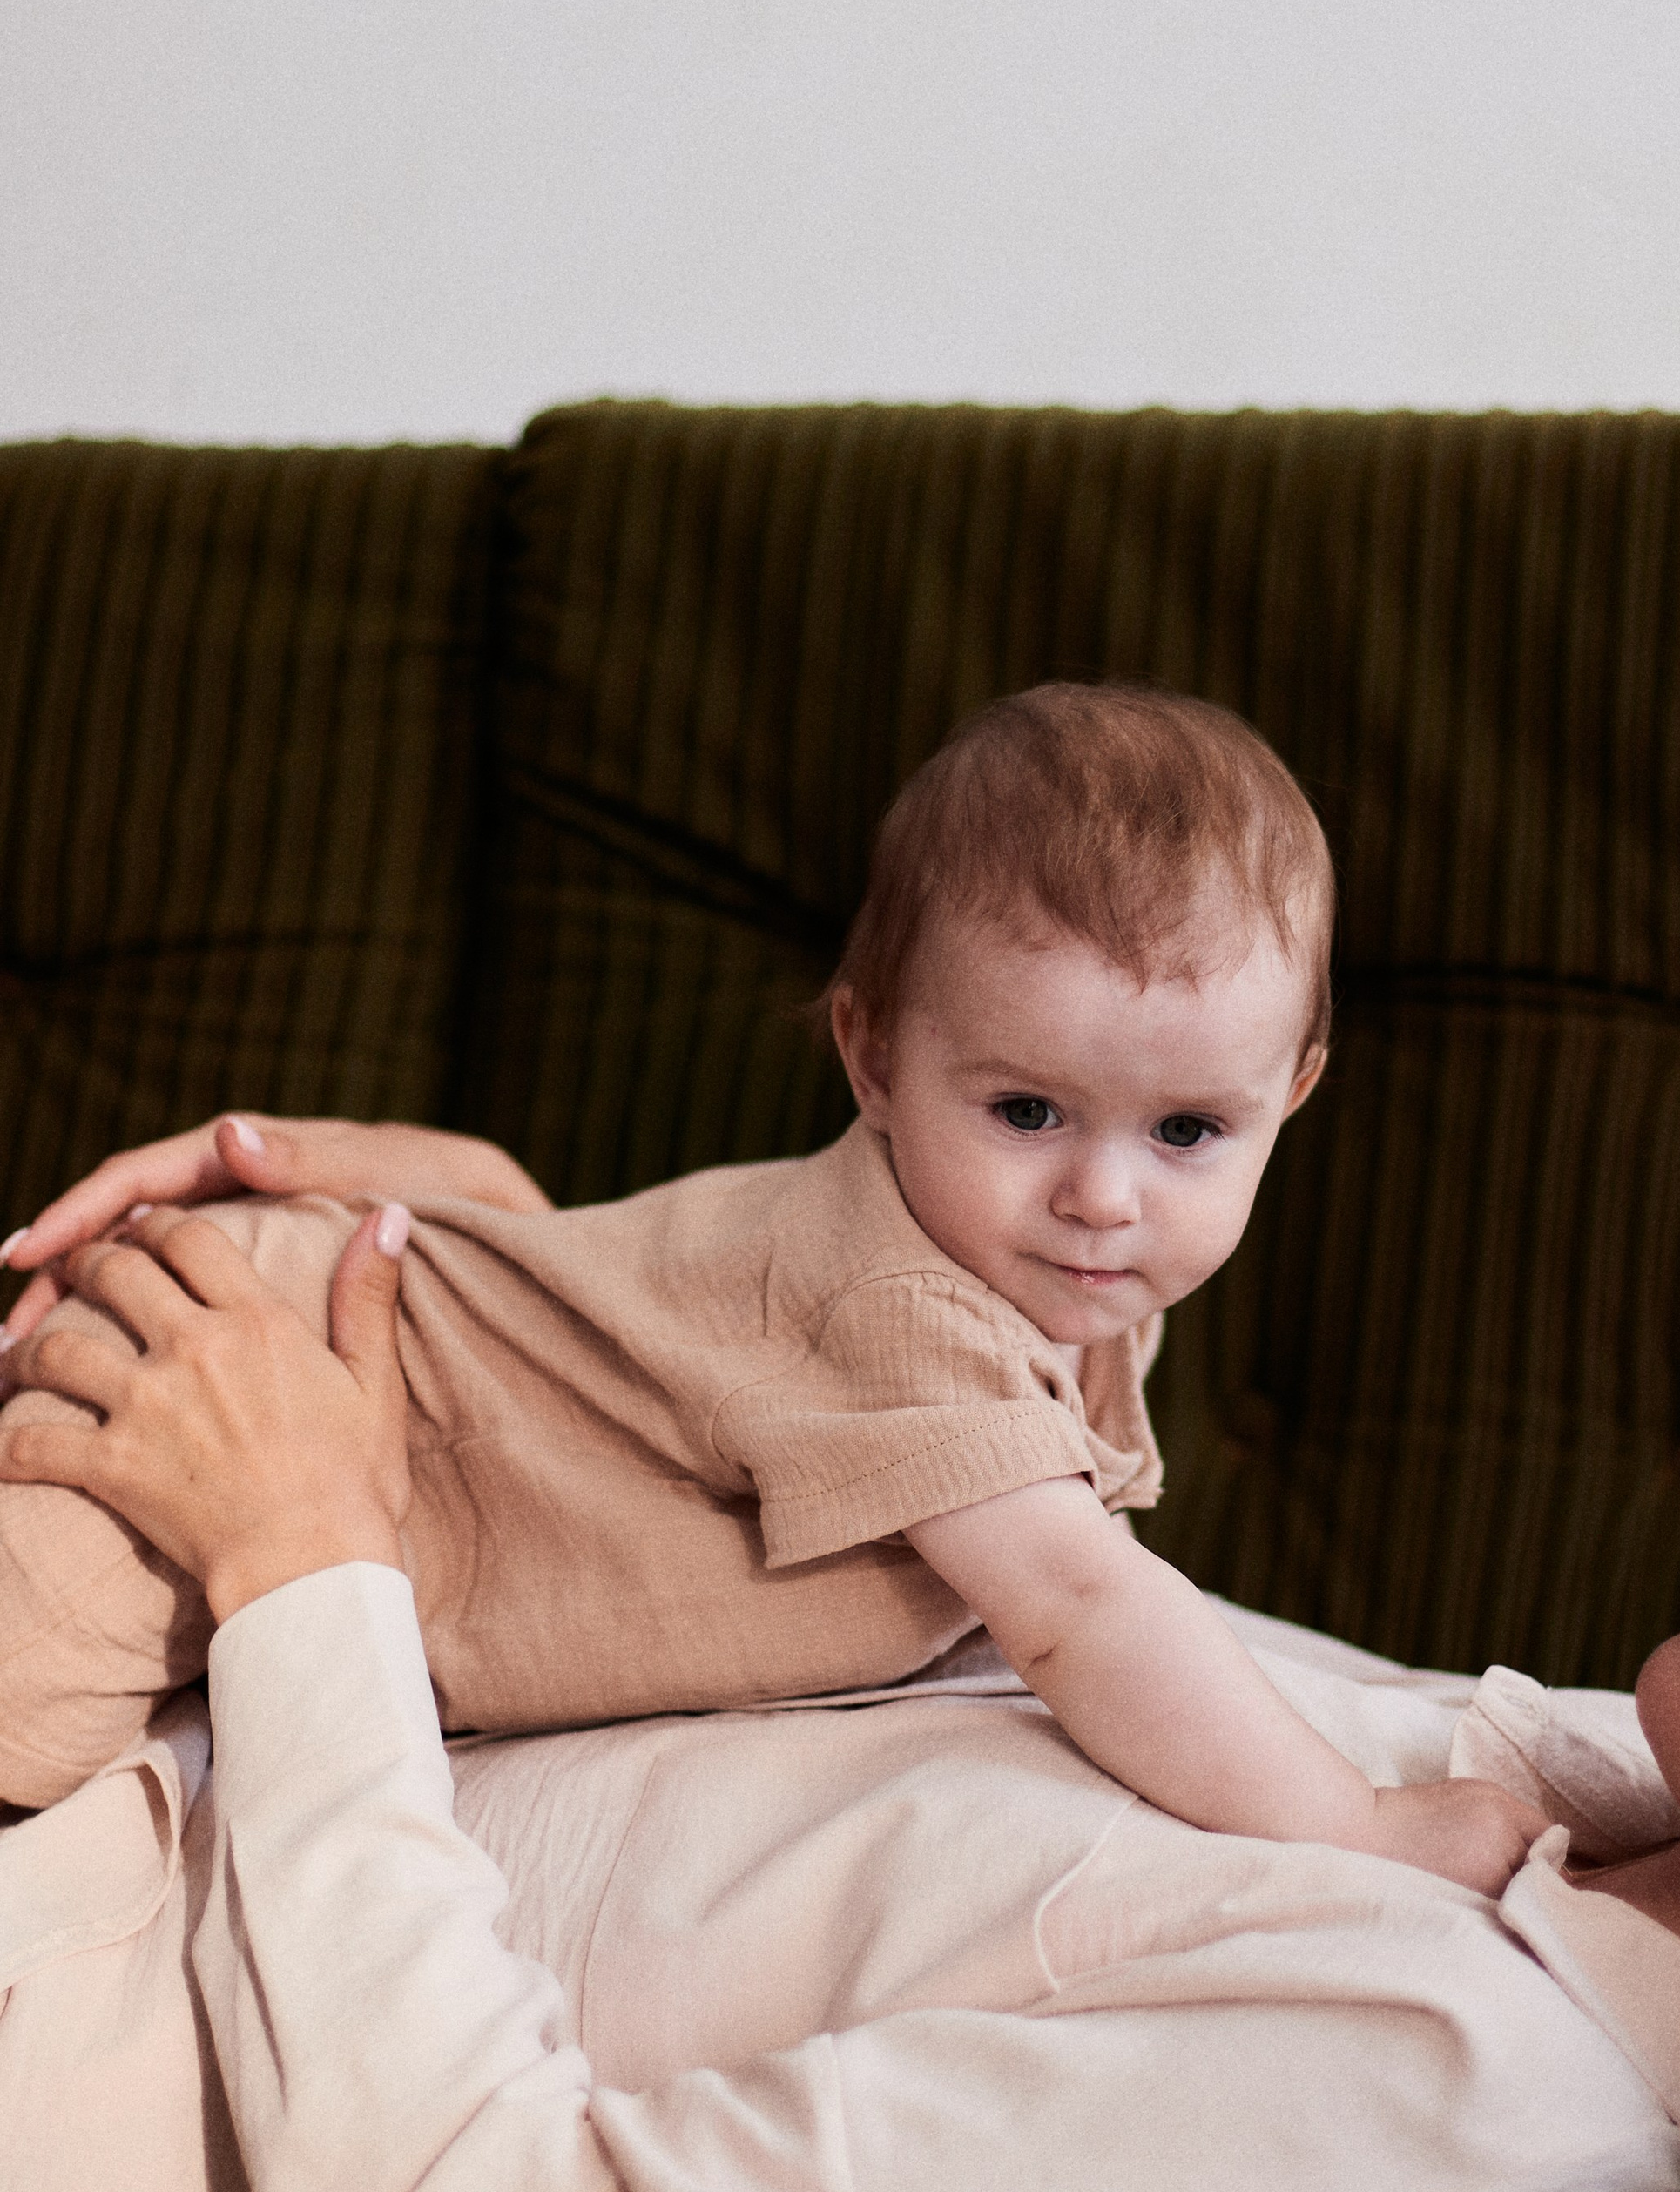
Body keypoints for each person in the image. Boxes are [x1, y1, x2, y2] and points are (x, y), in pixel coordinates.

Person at [3, 1124, 1680, 2192]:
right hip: (162, 1681)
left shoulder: (1451, 2110)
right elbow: (929, 1626)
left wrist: (308, 1558)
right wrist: (524, 1285)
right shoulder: (1566, 1794)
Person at [0, 683, 1540, 1893]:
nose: (1102, 1193)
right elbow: (1080, 1607)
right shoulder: (908, 1305)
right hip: (262, 1364)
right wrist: (1353, 1825)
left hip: (369, 1403)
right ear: (871, 1058)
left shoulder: (1050, 1277)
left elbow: (613, 1319)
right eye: (1025, 1112)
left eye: (1192, 1131)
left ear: (1295, 1094)